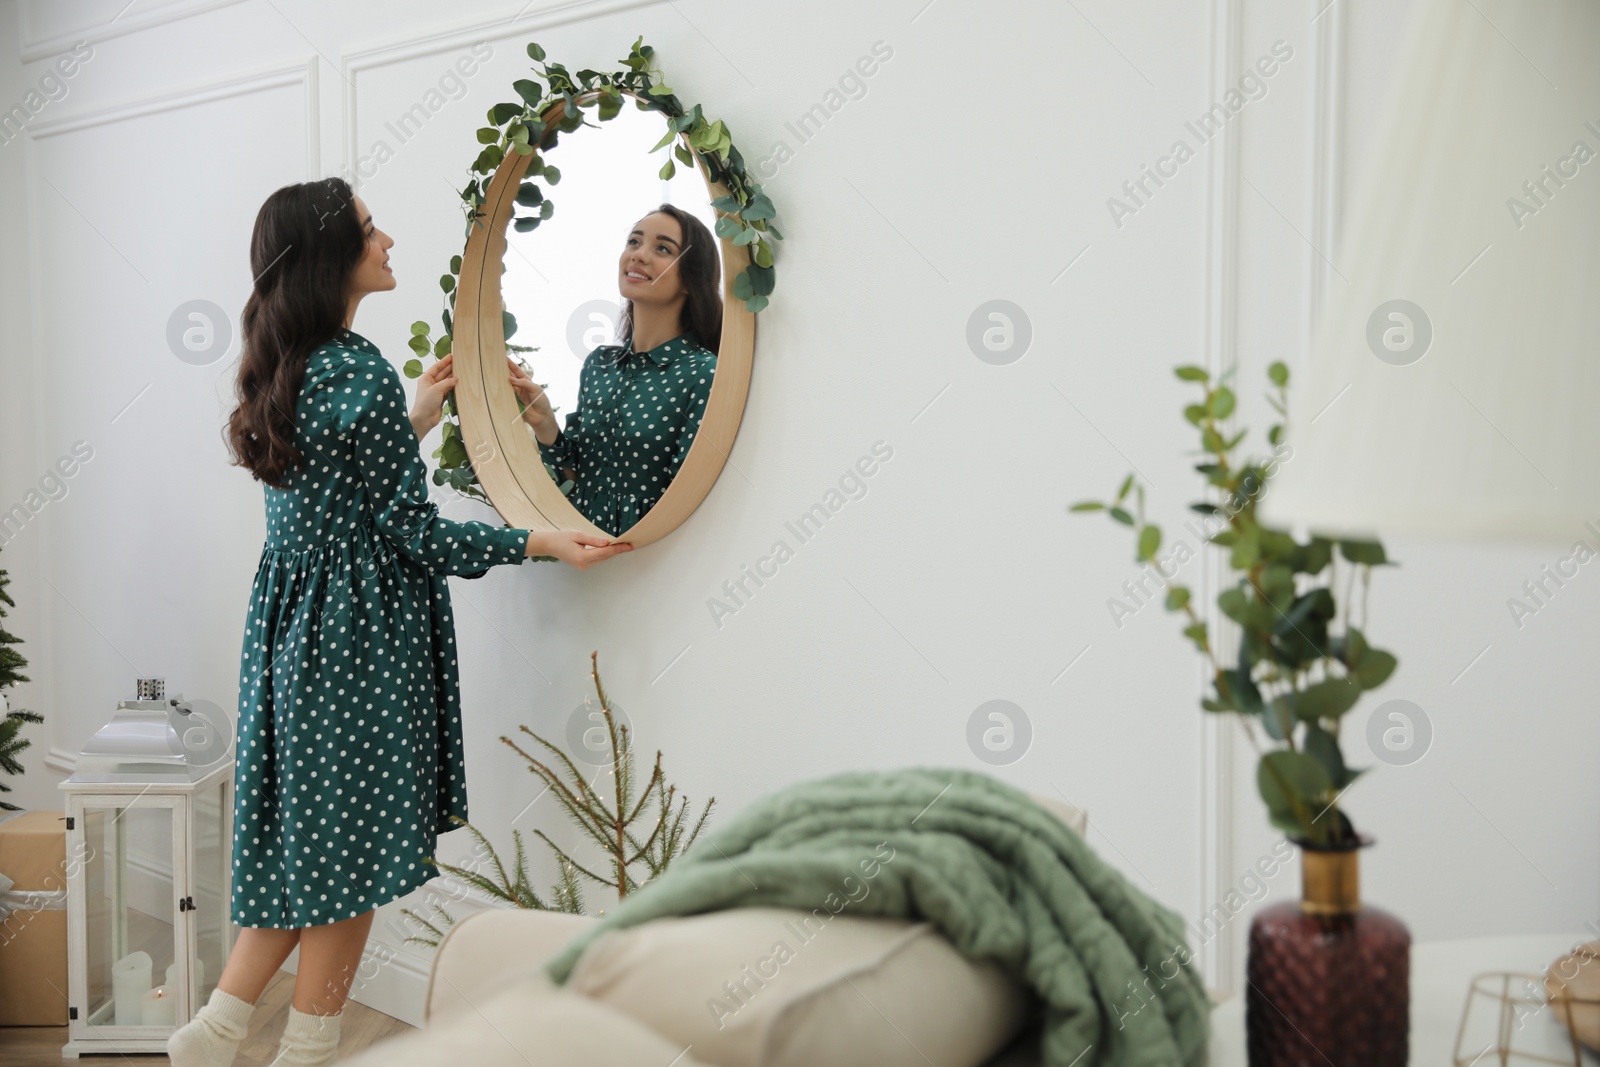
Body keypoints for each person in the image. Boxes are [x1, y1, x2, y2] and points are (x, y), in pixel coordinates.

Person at [167, 177, 631, 1067]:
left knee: (312, 856)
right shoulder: (359, 371)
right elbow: (408, 532)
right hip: (356, 644)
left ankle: (216, 1031)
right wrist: (538, 539)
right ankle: (303, 1051)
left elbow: (334, 499)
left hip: (289, 636)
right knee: (351, 866)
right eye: (373, 232)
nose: (389, 242)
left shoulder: (290, 361)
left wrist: (410, 418)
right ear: (333, 255)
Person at [516, 203, 722, 535]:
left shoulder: (702, 374)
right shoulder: (599, 364)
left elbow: (689, 500)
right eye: (634, 242)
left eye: (663, 249)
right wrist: (545, 425)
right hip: (585, 564)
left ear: (690, 280)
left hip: (652, 564)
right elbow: (578, 476)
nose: (639, 255)